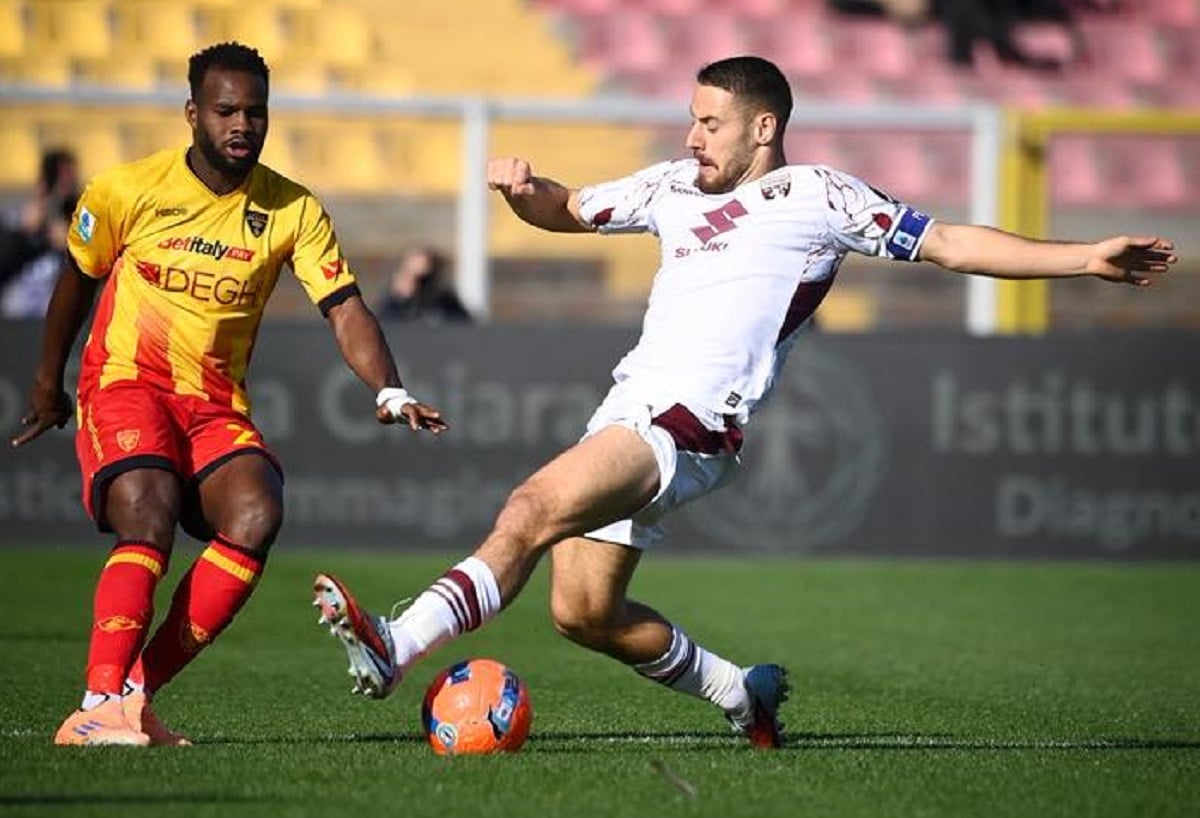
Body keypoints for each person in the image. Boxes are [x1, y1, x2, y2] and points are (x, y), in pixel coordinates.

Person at [310, 56, 1175, 748]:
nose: (692, 135)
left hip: (692, 423)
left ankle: (397, 645)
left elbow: (947, 241)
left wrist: (1084, 257)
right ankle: (742, 692)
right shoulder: (670, 187)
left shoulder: (821, 197)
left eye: (709, 121)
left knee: (529, 507)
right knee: (583, 613)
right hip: (628, 409)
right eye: (691, 118)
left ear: (764, 128)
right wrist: (521, 190)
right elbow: (569, 208)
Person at [11, 42, 447, 747]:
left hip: (213, 404)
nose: (242, 124)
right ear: (192, 113)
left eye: (255, 111)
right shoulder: (127, 189)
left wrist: (390, 390)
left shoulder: (291, 209)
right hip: (127, 383)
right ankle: (94, 701)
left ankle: (130, 698)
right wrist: (46, 382)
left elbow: (344, 307)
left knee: (256, 511)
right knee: (146, 511)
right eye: (225, 110)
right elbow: (76, 279)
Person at [375, 245, 472, 324]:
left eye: (424, 278)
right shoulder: (392, 306)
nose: (419, 285)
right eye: (412, 275)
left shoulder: (446, 304)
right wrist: (399, 298)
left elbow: (466, 325)